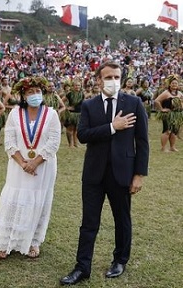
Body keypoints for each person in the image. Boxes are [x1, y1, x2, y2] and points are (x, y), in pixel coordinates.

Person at [60, 61, 149, 285]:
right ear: (99, 80)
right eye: (108, 77)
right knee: (89, 222)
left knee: (122, 219)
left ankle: (120, 260)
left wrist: (139, 174)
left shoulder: (134, 103)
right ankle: (82, 267)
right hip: (93, 174)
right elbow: (83, 135)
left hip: (123, 173)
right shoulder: (89, 105)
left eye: (117, 77)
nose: (113, 81)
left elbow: (143, 141)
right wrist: (112, 126)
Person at [0, 76, 61, 259]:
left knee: (38, 202)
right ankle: (5, 242)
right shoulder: (15, 114)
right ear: (23, 95)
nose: (35, 95)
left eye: (38, 91)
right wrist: (23, 163)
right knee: (13, 199)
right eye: (31, 92)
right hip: (18, 167)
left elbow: (54, 142)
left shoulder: (51, 114)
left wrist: (35, 162)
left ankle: (33, 241)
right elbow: (9, 141)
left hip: (43, 167)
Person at [154, 74, 183, 152]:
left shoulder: (180, 93)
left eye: (176, 83)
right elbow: (157, 101)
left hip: (177, 114)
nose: (174, 85)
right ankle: (163, 148)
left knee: (174, 131)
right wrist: (162, 109)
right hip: (168, 115)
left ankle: (172, 147)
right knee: (167, 131)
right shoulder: (166, 93)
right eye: (173, 83)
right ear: (169, 84)